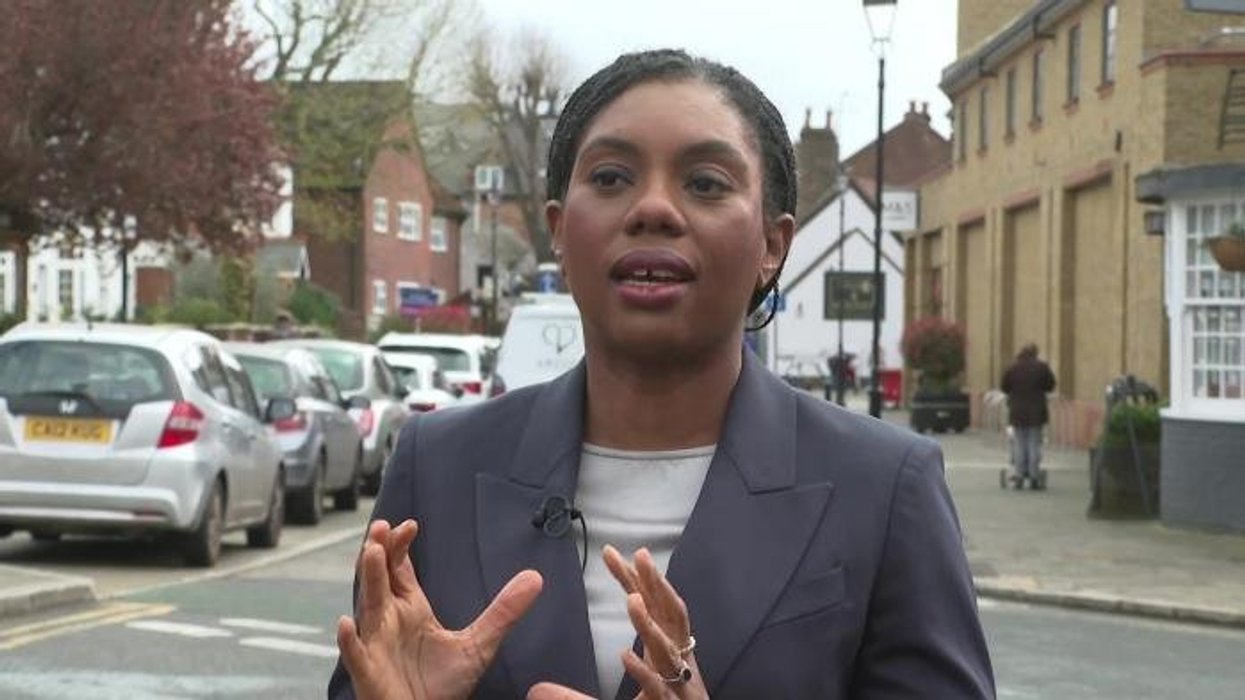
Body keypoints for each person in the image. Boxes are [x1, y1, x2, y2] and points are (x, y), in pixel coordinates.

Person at [328, 49, 994, 700]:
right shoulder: (435, 465)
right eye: (611, 177)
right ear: (558, 231)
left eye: (705, 183)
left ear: (772, 244)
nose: (652, 209)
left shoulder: (882, 488)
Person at [1001, 343, 1057, 489]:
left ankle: (1019, 474)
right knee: (1034, 442)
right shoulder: (1041, 367)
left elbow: (1004, 387)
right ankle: (1033, 475)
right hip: (1036, 412)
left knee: (1019, 442)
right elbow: (1050, 385)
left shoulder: (1013, 368)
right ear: (1035, 353)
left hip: (1017, 412)